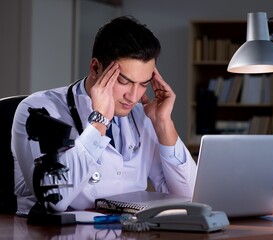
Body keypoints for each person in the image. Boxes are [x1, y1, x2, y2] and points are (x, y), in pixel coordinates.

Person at [12, 16, 196, 216]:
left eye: (143, 84)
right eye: (124, 81)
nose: (133, 96)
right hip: (50, 234)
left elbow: (190, 197)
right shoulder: (38, 110)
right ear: (95, 68)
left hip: (123, 232)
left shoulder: (142, 116)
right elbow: (55, 200)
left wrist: (163, 124)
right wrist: (100, 122)